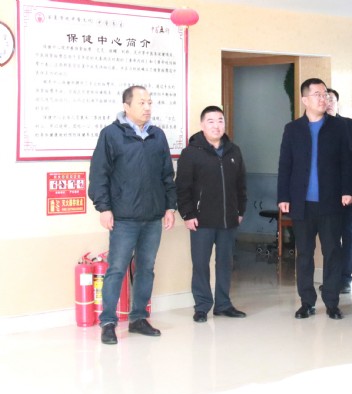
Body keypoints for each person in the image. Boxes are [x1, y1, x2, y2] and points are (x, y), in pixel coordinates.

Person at [89, 85, 177, 345]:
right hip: (123, 217)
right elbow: (99, 174)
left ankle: (139, 318)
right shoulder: (111, 134)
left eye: (150, 102)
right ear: (126, 106)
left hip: (152, 217)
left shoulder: (157, 135)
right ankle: (108, 322)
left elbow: (167, 174)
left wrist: (170, 207)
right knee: (116, 269)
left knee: (146, 269)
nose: (147, 107)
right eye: (141, 102)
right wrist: (104, 208)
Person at [277, 78, 352, 320]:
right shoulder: (292, 129)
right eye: (318, 94)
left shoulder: (339, 127)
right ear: (305, 100)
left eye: (325, 94)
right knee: (304, 254)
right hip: (301, 203)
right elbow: (285, 164)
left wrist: (347, 190)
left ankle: (332, 302)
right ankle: (306, 302)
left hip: (331, 202)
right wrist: (283, 196)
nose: (323, 99)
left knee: (332, 252)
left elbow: (347, 162)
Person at [176, 106, 247, 323]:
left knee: (225, 263)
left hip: (228, 219)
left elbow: (241, 184)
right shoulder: (191, 153)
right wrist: (187, 214)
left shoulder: (234, 151)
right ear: (202, 125)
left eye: (220, 121)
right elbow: (182, 187)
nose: (216, 126)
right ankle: (202, 306)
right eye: (211, 121)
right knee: (200, 264)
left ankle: (223, 304)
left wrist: (240, 210)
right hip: (201, 220)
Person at [326, 88, 352, 294]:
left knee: (348, 234)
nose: (328, 102)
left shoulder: (349, 125)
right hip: (326, 194)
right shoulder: (316, 126)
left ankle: (346, 278)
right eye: (324, 98)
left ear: (337, 103)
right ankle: (332, 278)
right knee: (330, 237)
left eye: (331, 99)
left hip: (350, 191)